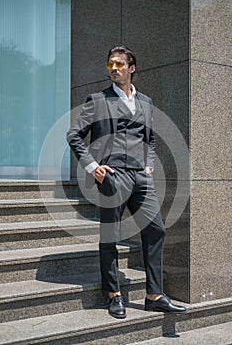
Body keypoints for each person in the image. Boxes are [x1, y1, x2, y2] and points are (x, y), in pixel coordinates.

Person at [67, 45, 187, 319]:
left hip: (140, 177)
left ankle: (154, 296)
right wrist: (93, 166)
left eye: (120, 64)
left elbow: (150, 139)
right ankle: (114, 295)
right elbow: (73, 134)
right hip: (112, 176)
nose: (114, 69)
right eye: (111, 64)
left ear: (132, 69)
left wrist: (149, 167)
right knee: (110, 235)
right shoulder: (98, 100)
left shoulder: (145, 101)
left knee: (155, 229)